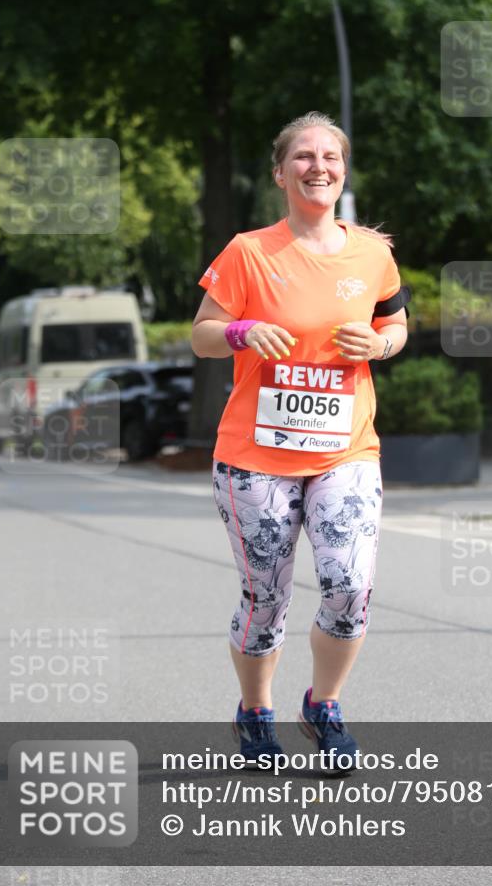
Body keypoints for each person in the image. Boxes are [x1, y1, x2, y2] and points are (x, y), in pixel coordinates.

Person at [191, 111, 409, 767]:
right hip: (256, 459)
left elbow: (395, 327)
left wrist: (378, 343)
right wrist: (239, 333)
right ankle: (255, 710)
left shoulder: (371, 254)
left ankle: (323, 704)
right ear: (280, 172)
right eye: (304, 157)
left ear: (343, 170)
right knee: (266, 597)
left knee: (347, 586)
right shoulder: (248, 251)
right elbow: (201, 332)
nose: (319, 167)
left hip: (344, 451)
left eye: (330, 157)